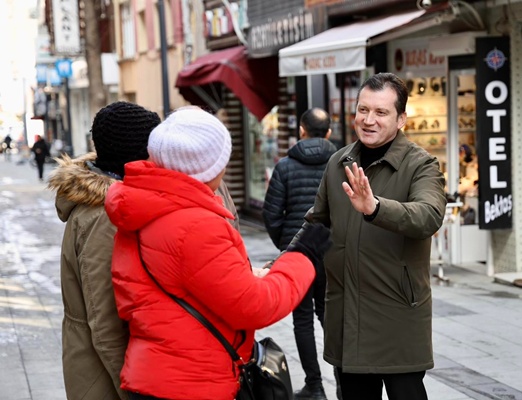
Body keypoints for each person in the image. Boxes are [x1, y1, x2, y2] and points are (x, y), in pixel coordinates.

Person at [104, 107, 332, 400]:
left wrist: (245, 275)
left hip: (158, 373)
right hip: (193, 382)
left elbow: (184, 282)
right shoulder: (194, 224)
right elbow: (256, 306)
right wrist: (303, 256)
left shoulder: (144, 205)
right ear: (208, 167)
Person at [292, 73, 446, 400]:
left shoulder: (421, 164)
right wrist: (280, 267)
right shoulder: (339, 162)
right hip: (347, 315)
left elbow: (429, 216)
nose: (368, 120)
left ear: (401, 118)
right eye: (363, 110)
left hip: (397, 315)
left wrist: (375, 207)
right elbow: (316, 225)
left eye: (380, 112)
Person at [46, 101, 162, 400]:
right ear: (139, 152)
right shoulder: (105, 217)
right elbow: (105, 323)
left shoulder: (115, 205)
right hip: (104, 378)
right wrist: (135, 392)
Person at [262, 107, 337, 400]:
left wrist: (287, 245)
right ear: (328, 133)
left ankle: (315, 386)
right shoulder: (342, 162)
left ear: (301, 130)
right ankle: (343, 384)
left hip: (299, 256)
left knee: (302, 320)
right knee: (331, 318)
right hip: (332, 252)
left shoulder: (284, 167)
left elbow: (271, 213)